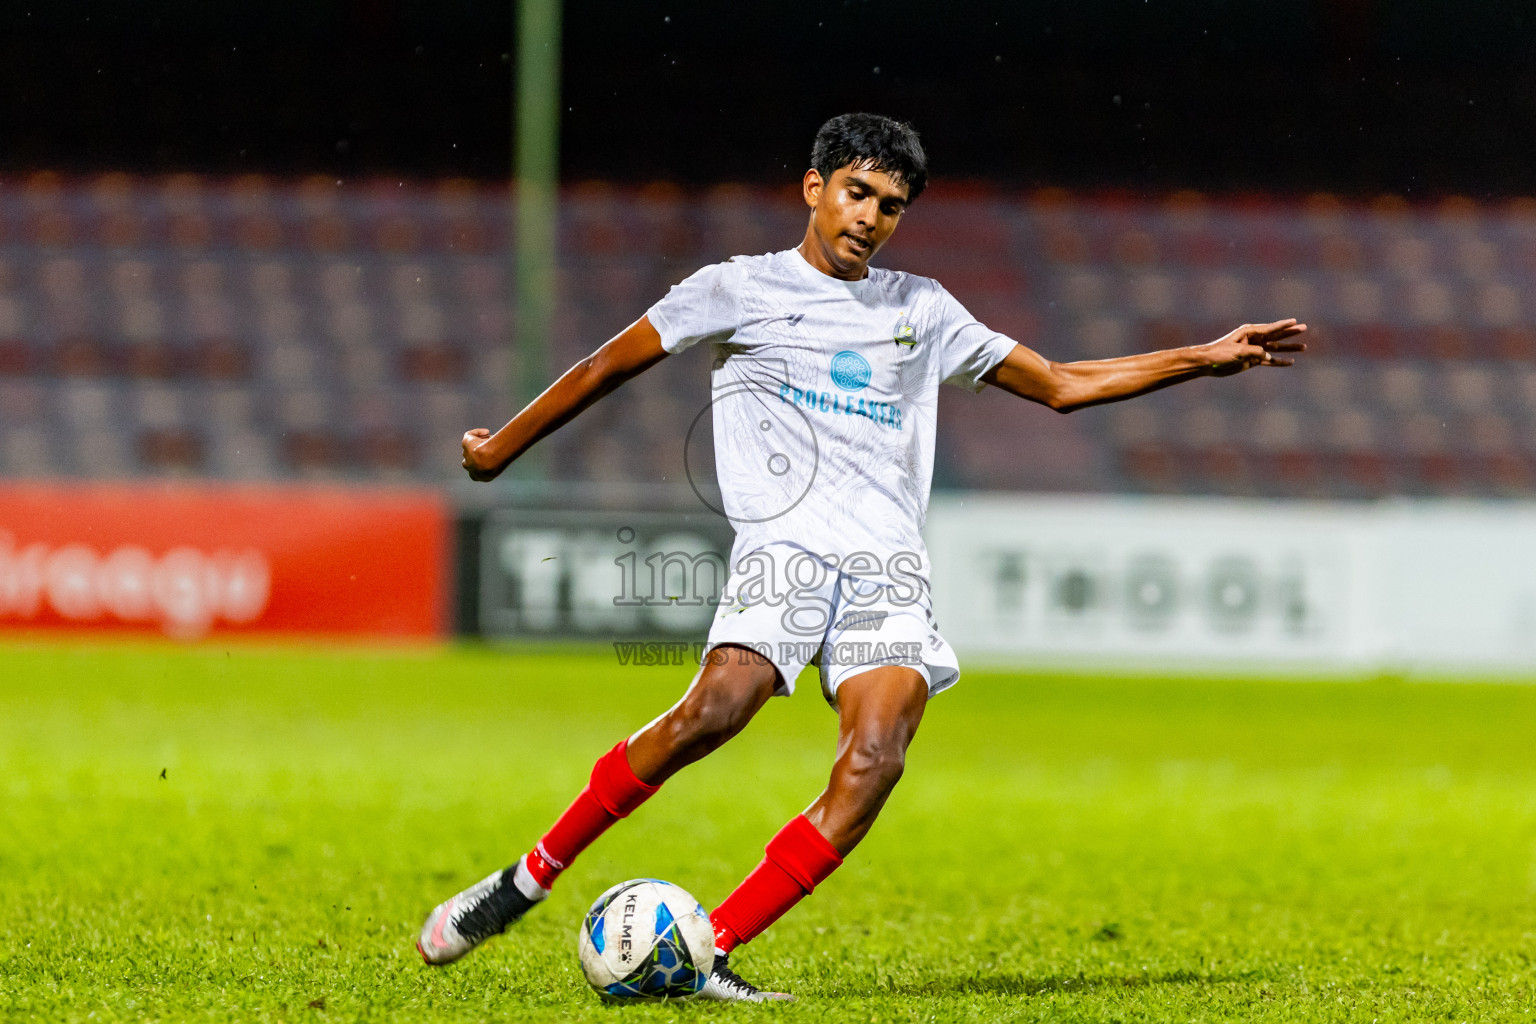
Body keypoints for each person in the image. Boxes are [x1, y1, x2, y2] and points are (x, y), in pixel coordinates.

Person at [417, 112, 1306, 1001]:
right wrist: (503, 447)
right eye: (856, 193)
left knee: (876, 760)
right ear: (813, 187)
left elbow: (1064, 385)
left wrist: (1205, 356)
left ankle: (707, 953)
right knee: (716, 711)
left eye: (890, 205)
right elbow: (606, 366)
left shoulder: (921, 307)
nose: (869, 218)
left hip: (887, 571)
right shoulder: (737, 289)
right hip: (785, 554)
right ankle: (523, 880)